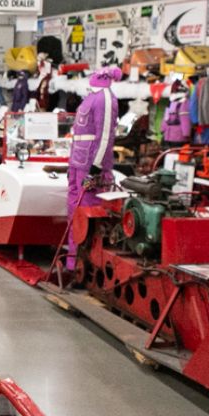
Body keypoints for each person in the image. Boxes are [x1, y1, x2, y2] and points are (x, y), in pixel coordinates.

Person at [65, 65, 121, 270]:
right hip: (78, 163)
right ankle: (73, 261)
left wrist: (96, 166)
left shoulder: (105, 98)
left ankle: (84, 265)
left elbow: (105, 134)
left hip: (89, 164)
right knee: (74, 212)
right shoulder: (93, 95)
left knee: (87, 212)